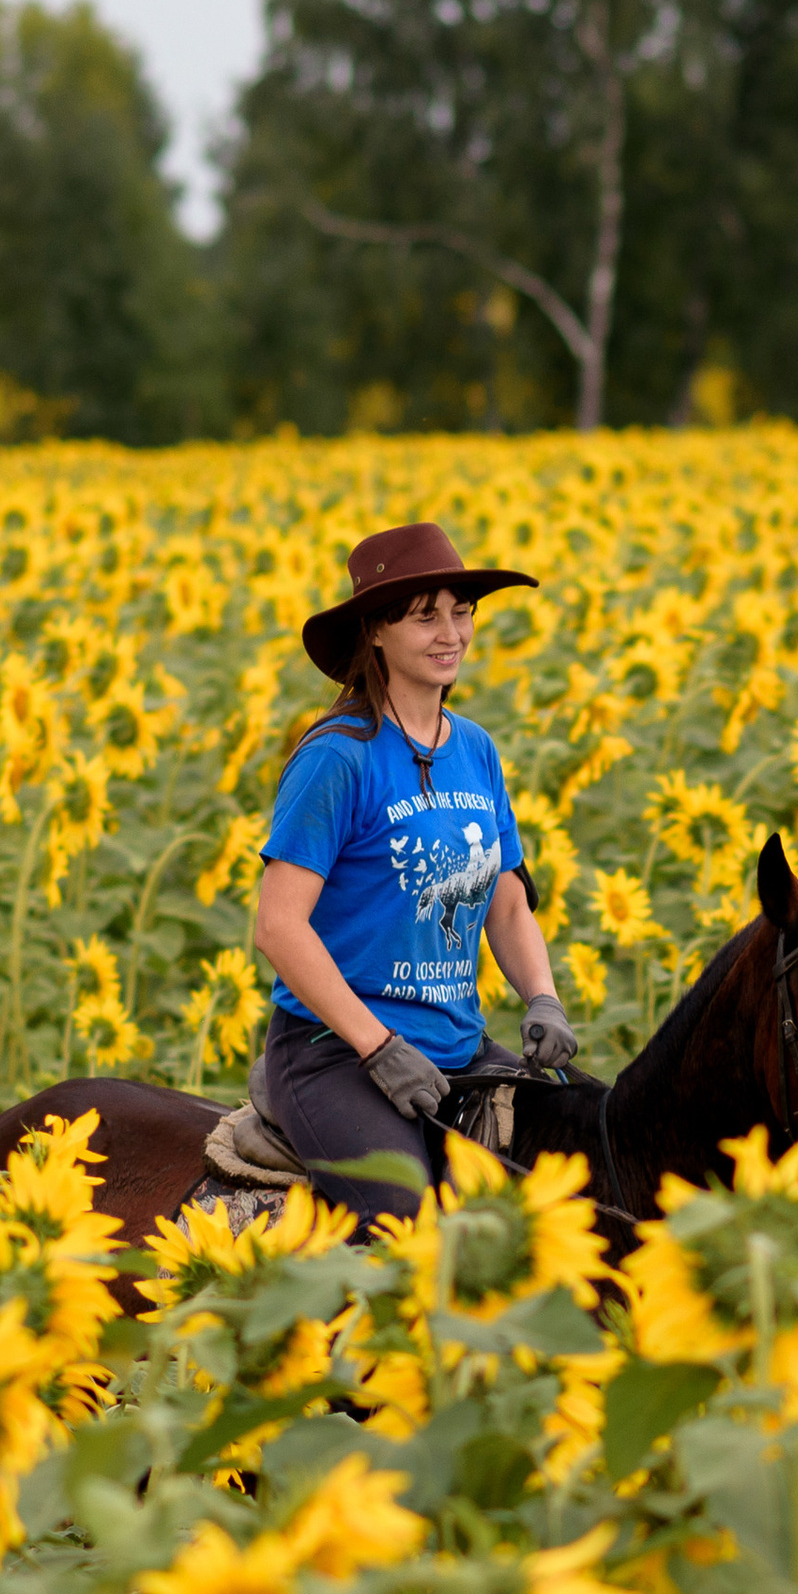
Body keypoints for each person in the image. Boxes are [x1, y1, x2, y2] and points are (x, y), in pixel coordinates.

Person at [252, 522, 577, 1228]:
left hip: (457, 1045)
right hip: (335, 1054)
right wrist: (378, 1046)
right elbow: (278, 926)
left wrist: (542, 998)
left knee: (570, 1184)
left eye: (460, 612)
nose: (450, 633)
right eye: (425, 615)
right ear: (374, 631)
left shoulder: (476, 749)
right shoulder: (339, 757)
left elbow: (509, 906)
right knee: (410, 1230)